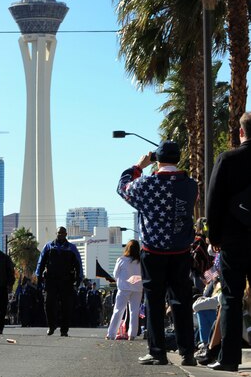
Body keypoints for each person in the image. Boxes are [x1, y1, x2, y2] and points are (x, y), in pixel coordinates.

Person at [118, 140, 197, 366]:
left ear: (157, 160)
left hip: (153, 249)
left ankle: (157, 351)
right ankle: (187, 352)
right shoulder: (191, 185)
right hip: (181, 249)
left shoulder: (145, 184)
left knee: (153, 300)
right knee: (181, 299)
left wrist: (138, 166)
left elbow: (122, 187)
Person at [206, 111, 251, 372]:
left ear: (241, 132)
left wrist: (215, 237)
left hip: (234, 239)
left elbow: (213, 201)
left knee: (231, 297)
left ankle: (229, 358)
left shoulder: (227, 159)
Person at [35, 226, 83, 337]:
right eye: (58, 233)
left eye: (62, 233)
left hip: (66, 281)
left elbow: (78, 264)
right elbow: (41, 262)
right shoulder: (49, 246)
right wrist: (38, 276)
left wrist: (79, 278)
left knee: (66, 306)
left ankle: (64, 330)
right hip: (51, 281)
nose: (60, 234)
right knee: (49, 304)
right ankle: (51, 326)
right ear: (56, 233)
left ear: (66, 234)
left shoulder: (72, 248)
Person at [106, 240, 143, 340]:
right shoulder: (141, 261)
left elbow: (115, 274)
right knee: (134, 312)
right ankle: (132, 334)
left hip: (124, 288)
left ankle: (111, 334)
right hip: (138, 288)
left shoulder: (122, 259)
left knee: (118, 311)